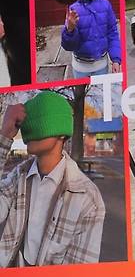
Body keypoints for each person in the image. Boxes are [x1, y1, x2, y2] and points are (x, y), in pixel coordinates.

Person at [0, 91, 105, 267]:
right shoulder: (19, 178)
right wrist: (4, 135)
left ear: (62, 134)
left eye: (42, 122)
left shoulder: (87, 199)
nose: (30, 130)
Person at [61, 0, 122, 78]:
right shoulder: (73, 8)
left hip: (101, 66)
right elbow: (68, 46)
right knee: (80, 95)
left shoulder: (105, 4)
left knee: (100, 93)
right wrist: (69, 30)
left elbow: (112, 33)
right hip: (80, 68)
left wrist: (116, 59)